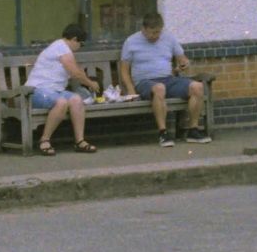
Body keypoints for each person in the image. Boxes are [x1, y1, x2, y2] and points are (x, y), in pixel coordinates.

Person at [119, 12, 209, 147]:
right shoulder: (131, 42)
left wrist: (184, 63)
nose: (155, 36)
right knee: (159, 88)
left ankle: (193, 130)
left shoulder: (169, 38)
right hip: (144, 82)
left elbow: (182, 58)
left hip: (168, 79)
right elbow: (124, 70)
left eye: (158, 32)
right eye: (152, 33)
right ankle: (163, 133)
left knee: (197, 87)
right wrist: (131, 90)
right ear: (143, 29)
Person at [24, 24, 100, 156]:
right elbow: (75, 73)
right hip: (37, 90)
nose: (79, 48)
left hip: (55, 91)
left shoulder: (62, 49)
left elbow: (74, 71)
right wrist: (91, 83)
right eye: (81, 44)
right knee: (61, 102)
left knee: (76, 100)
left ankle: (80, 141)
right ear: (75, 39)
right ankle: (44, 140)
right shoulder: (61, 47)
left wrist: (82, 76)